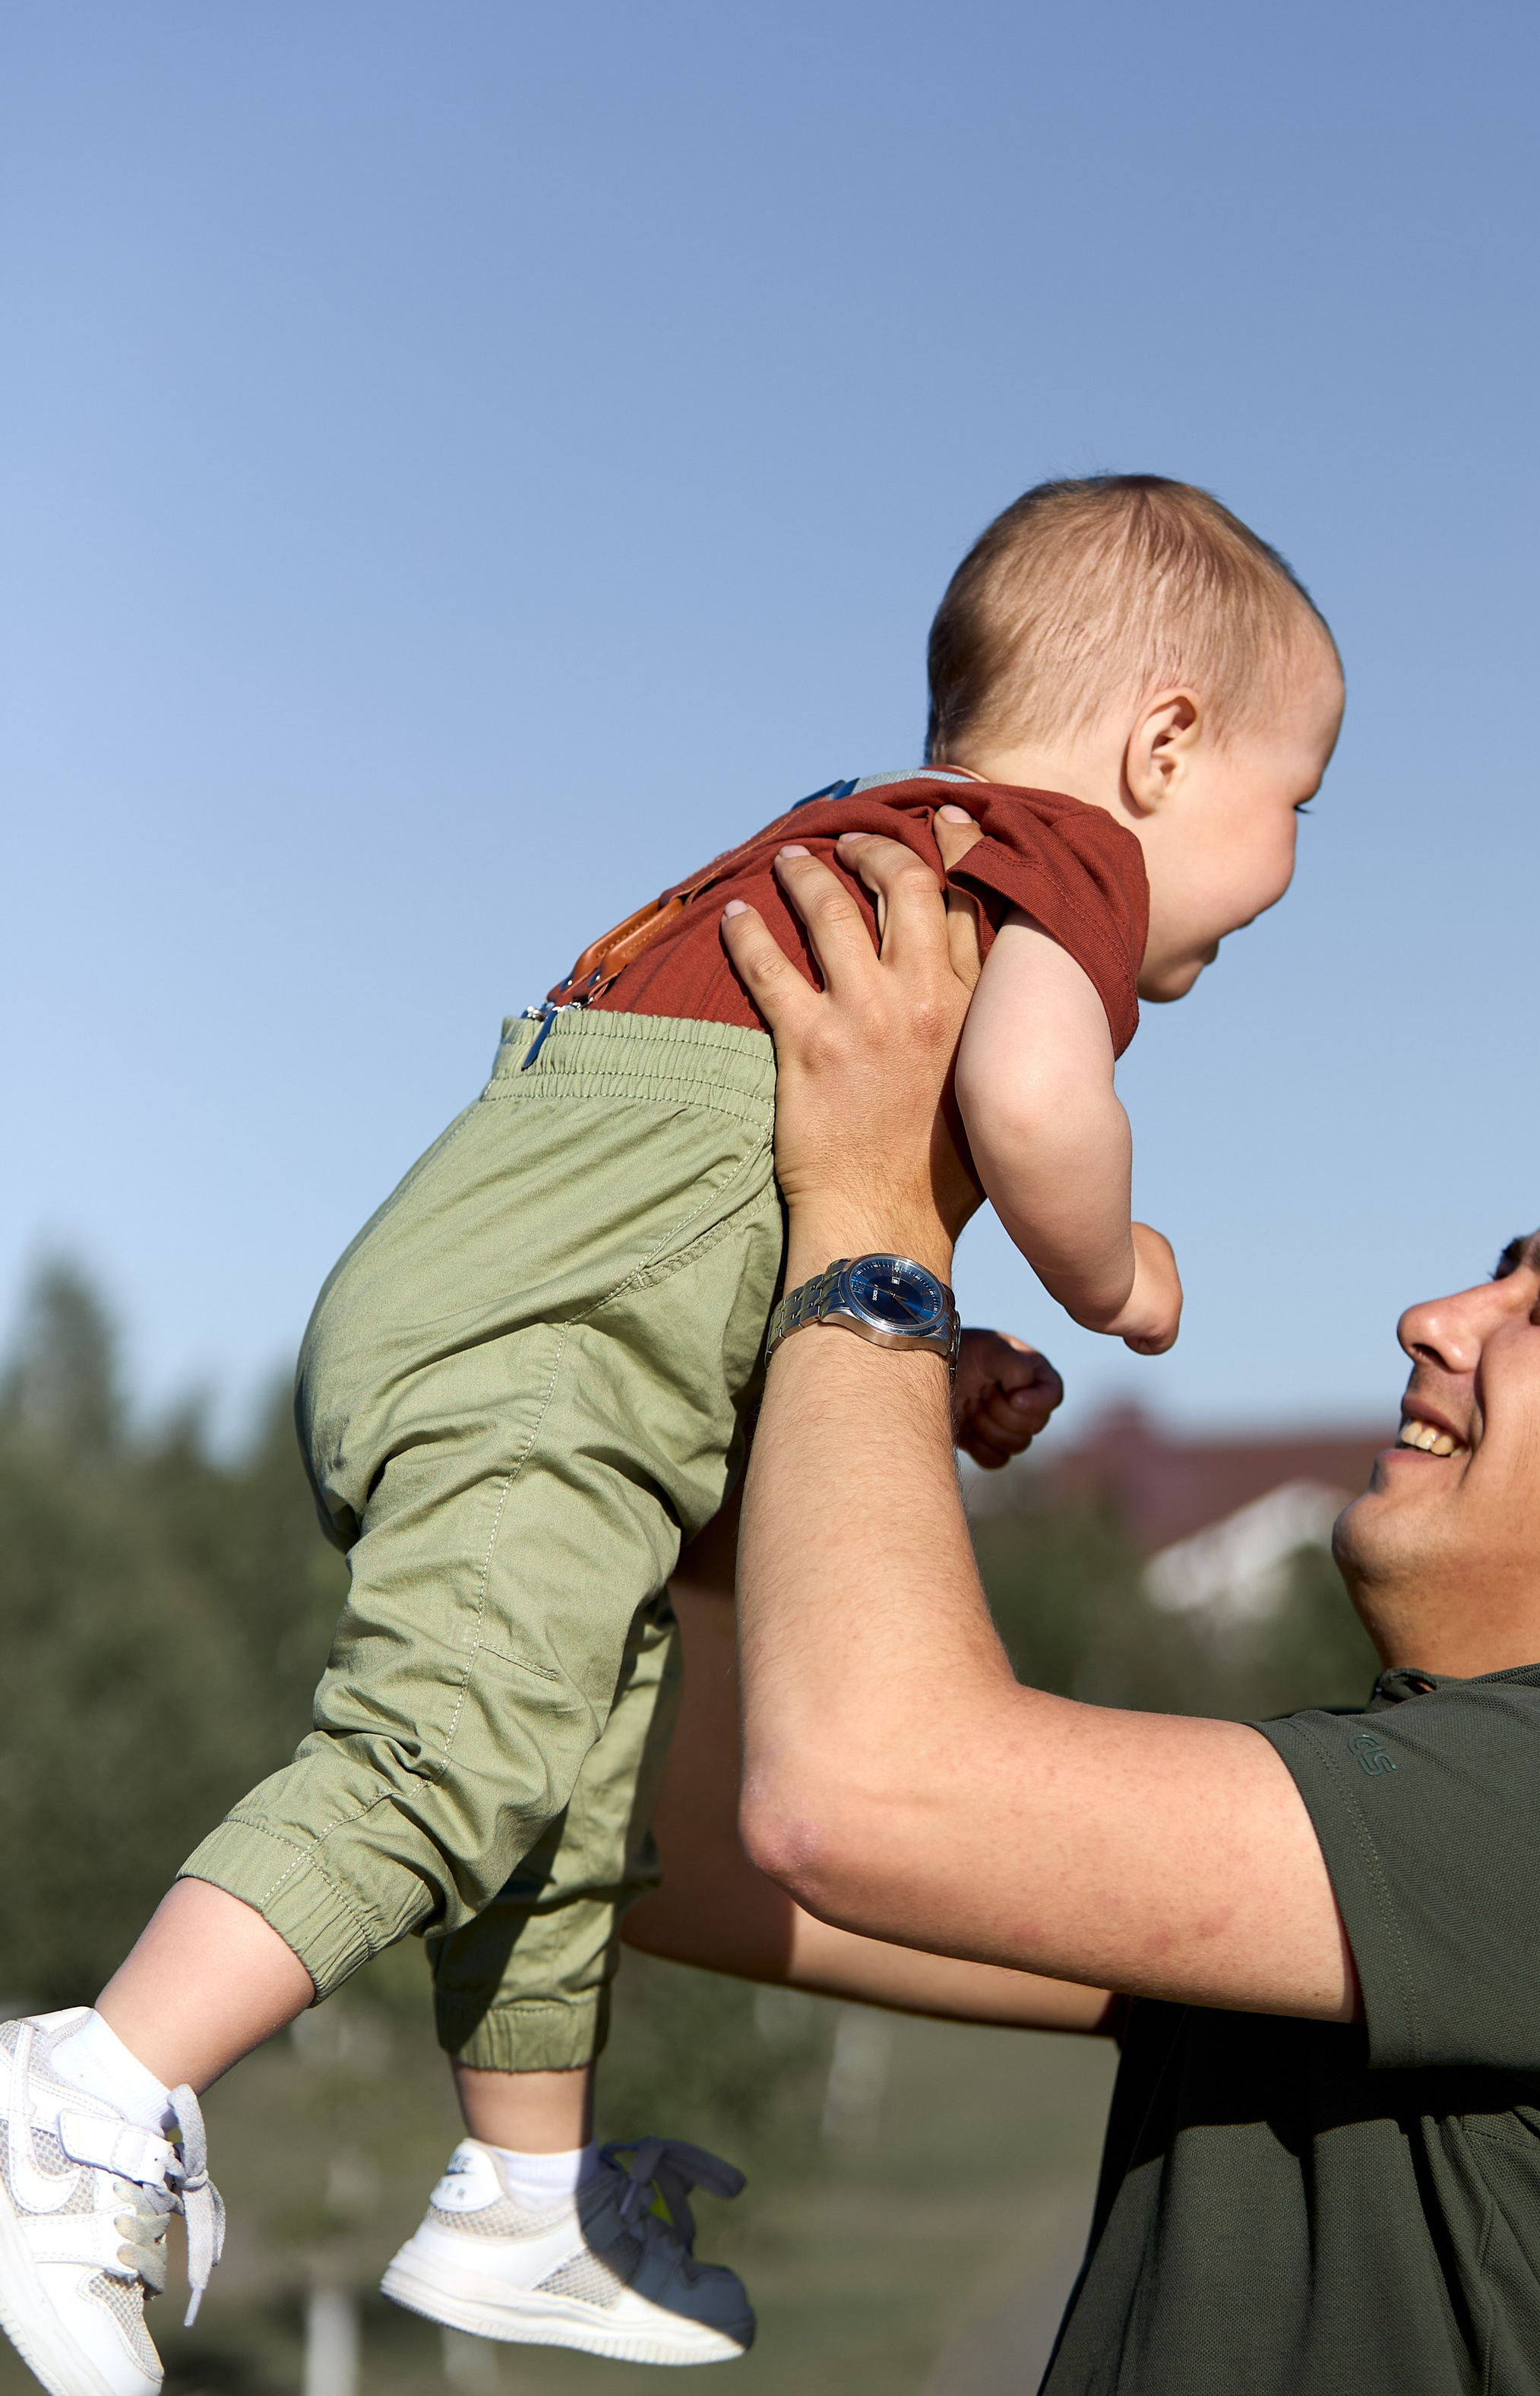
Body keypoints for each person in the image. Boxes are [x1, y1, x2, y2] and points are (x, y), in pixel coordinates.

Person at [0, 478, 1345, 2396]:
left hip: (553, 1324)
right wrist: (1115, 1269)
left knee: (571, 1765)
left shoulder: (857, 853)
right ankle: (80, 2097)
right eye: (1298, 802)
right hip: (545, 1353)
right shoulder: (1055, 853)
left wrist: (929, 1357)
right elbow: (1042, 1103)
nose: (1295, 859)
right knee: (447, 1750)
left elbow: (750, 1194)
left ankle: (519, 2197)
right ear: (1161, 743)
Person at [615, 820, 1540, 2396]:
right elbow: (688, 1857)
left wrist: (870, 1223)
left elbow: (857, 1802)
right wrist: (754, 1450)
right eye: (1496, 1269)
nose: (1432, 1316)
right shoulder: (1450, 1819)